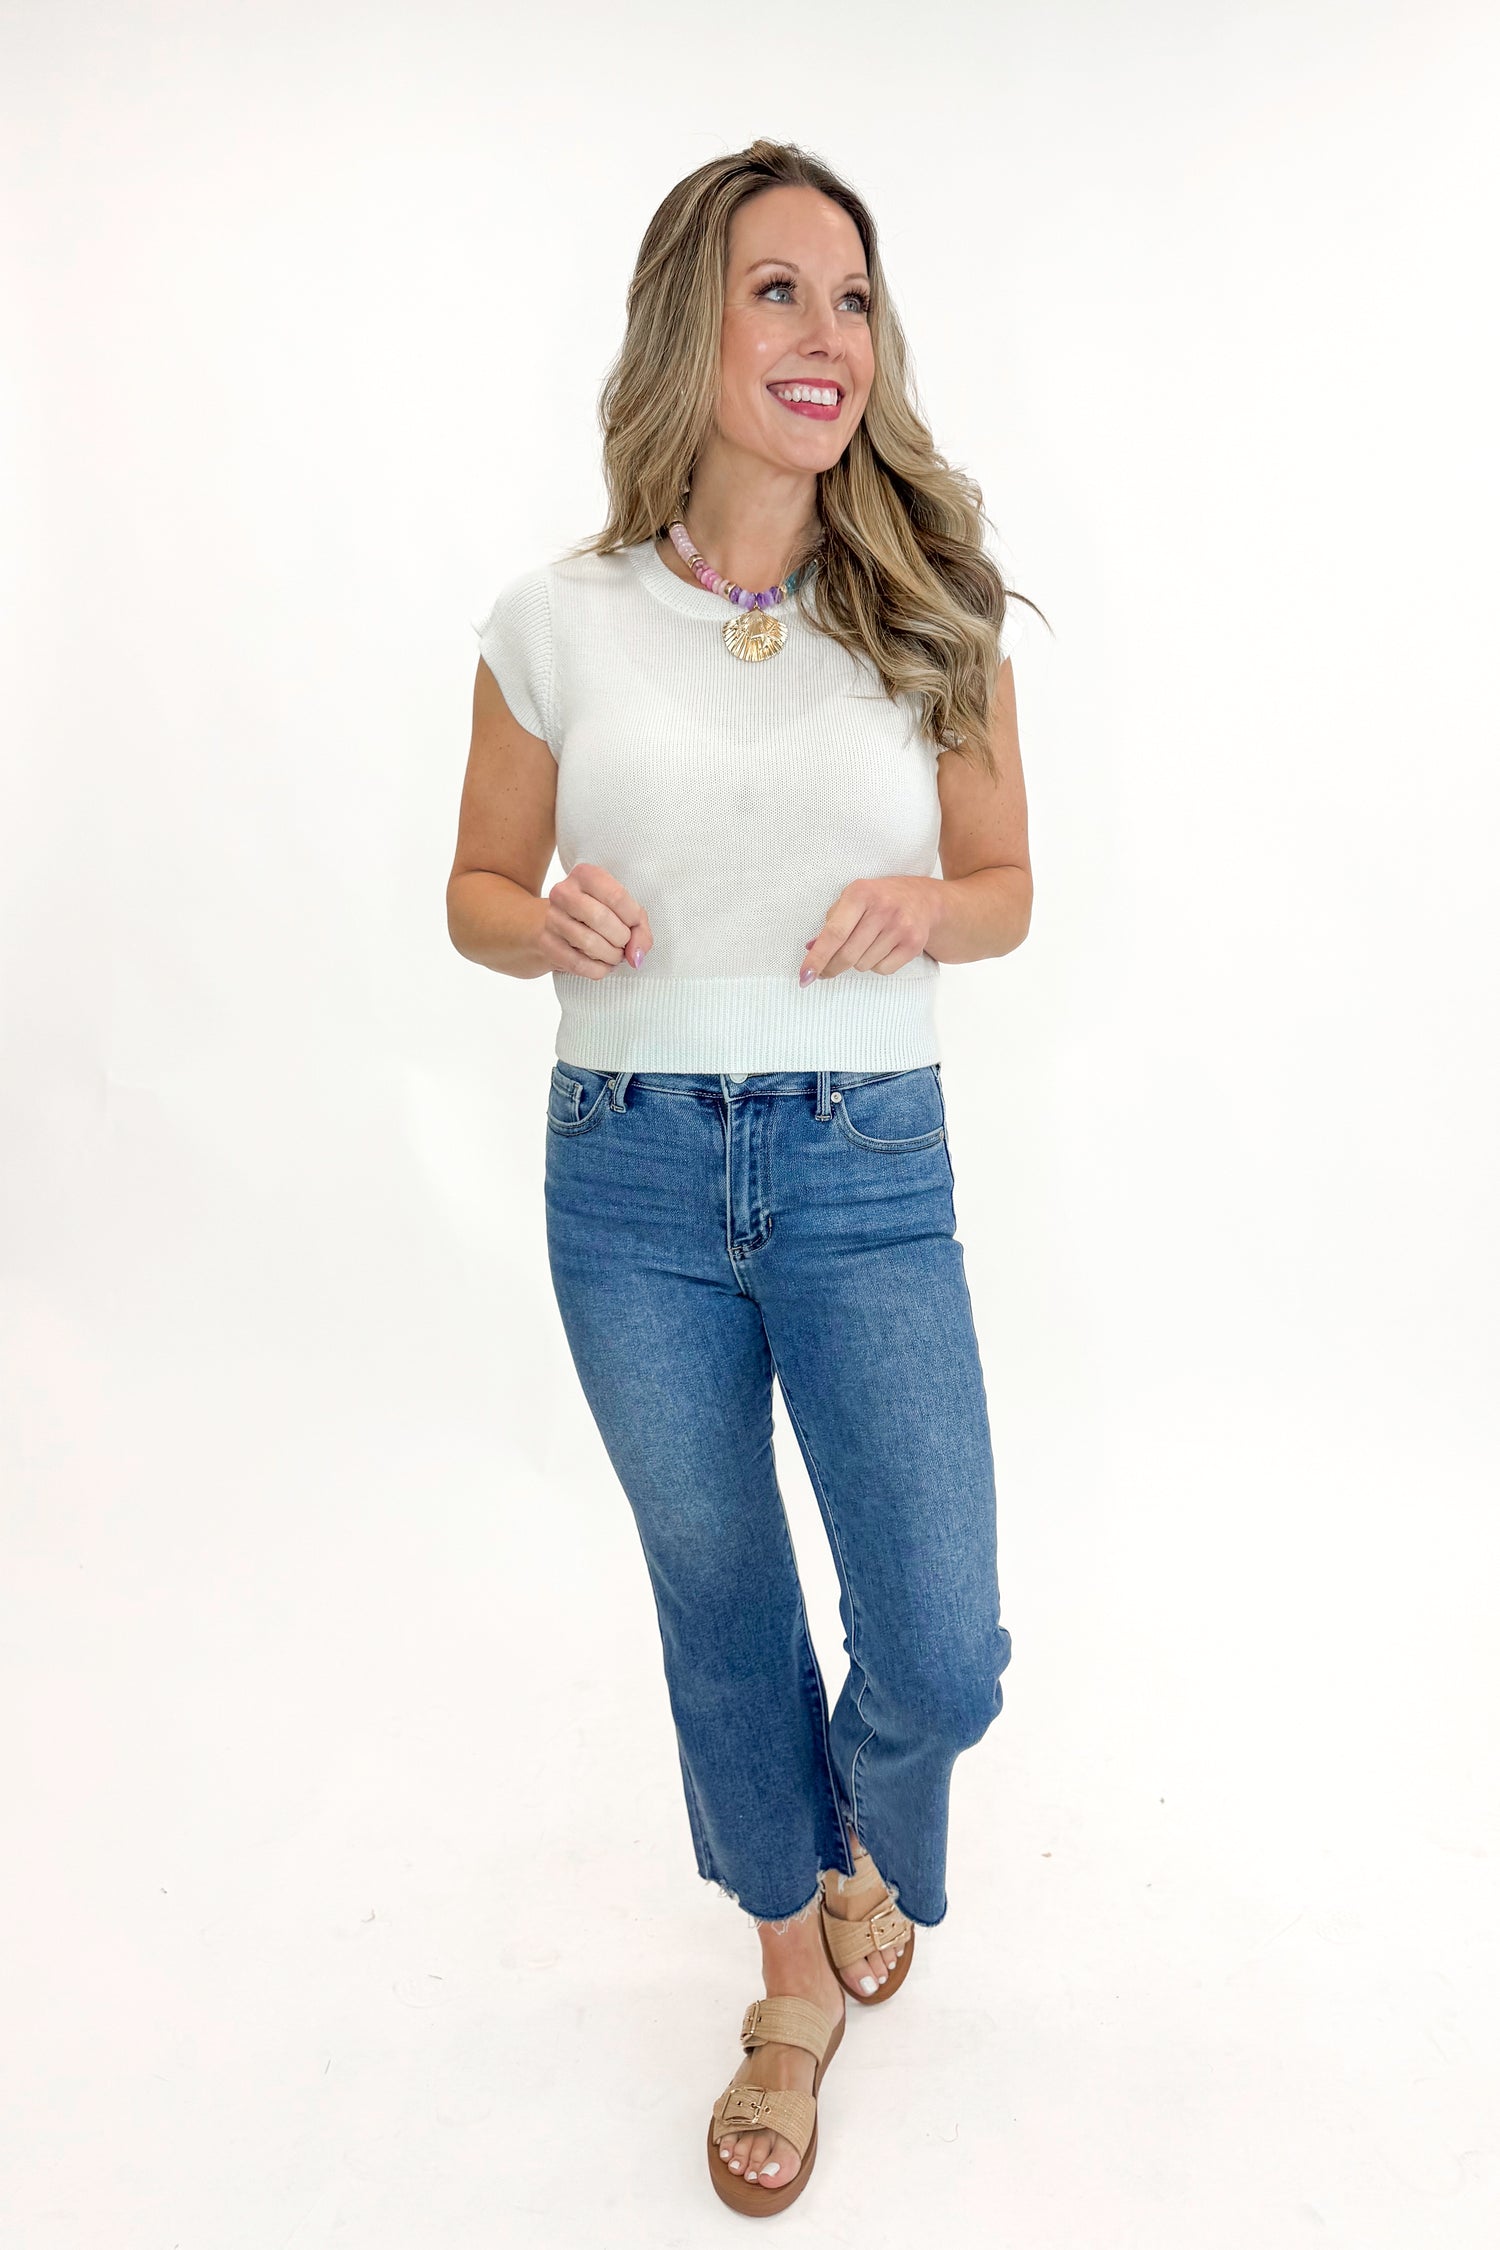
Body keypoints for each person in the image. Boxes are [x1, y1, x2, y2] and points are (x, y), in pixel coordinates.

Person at [447, 137, 1042, 2218]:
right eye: (778, 291)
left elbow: (1009, 892)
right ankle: (787, 1981)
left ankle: (865, 1840)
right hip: (623, 1177)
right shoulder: (556, 620)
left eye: (854, 300)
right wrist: (549, 925)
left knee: (944, 1647)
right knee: (722, 1607)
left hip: (866, 1160)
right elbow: (470, 891)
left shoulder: (938, 613)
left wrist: (918, 906)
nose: (824, 336)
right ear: (685, 323)